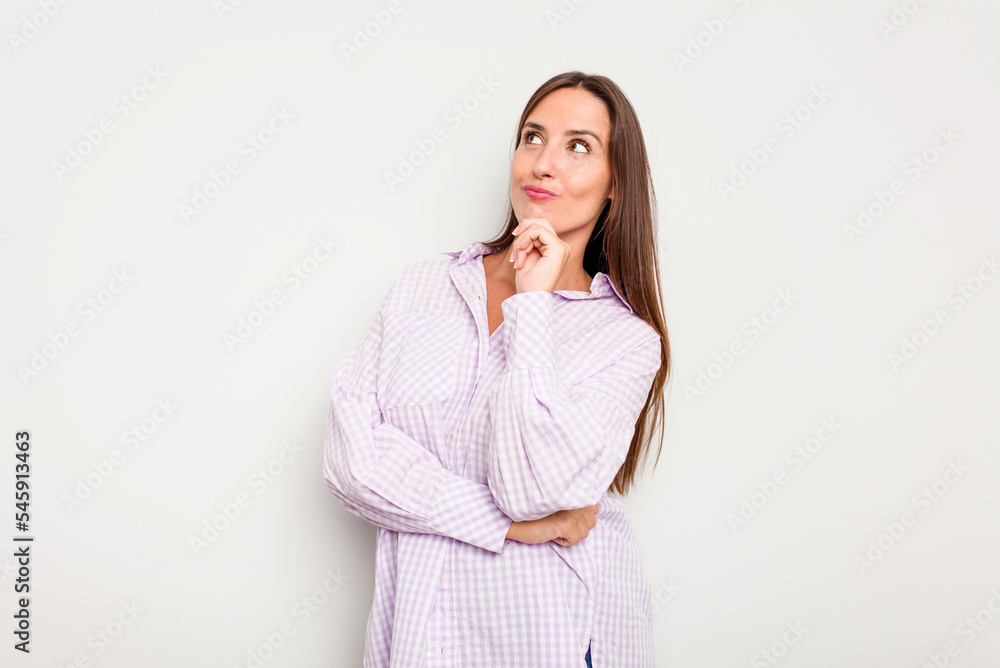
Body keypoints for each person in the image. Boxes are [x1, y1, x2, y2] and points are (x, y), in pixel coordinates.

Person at [323, 70, 671, 667]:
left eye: (578, 146)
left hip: (553, 640)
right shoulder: (423, 288)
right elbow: (351, 462)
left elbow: (532, 491)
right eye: (532, 137)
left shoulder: (624, 340)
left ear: (616, 185)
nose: (544, 163)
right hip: (419, 642)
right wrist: (506, 526)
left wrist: (532, 305)